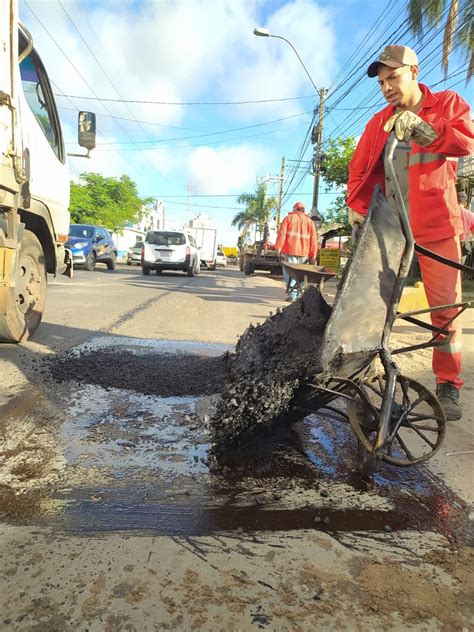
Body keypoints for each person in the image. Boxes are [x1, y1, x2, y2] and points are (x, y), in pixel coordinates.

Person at [347, 44, 474, 421]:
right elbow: (359, 170)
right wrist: (357, 208)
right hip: (390, 231)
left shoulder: (447, 104)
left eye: (393, 77)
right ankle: (367, 374)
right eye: (382, 82)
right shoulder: (377, 123)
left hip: (436, 227)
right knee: (372, 306)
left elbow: (466, 140)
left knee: (444, 312)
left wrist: (424, 130)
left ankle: (447, 386)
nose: (387, 87)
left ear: (414, 73)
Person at [275, 201, 318, 302]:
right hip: (304, 254)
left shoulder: (288, 219)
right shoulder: (310, 222)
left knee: (290, 274)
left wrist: (278, 249)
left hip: (289, 251)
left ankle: (293, 295)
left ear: (294, 209)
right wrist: (313, 256)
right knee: (301, 275)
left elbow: (281, 235)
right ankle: (297, 295)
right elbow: (313, 241)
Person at [458, 191, 474, 263]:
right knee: (460, 268)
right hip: (463, 246)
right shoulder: (471, 215)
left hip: (450, 244)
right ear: (465, 203)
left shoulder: (451, 212)